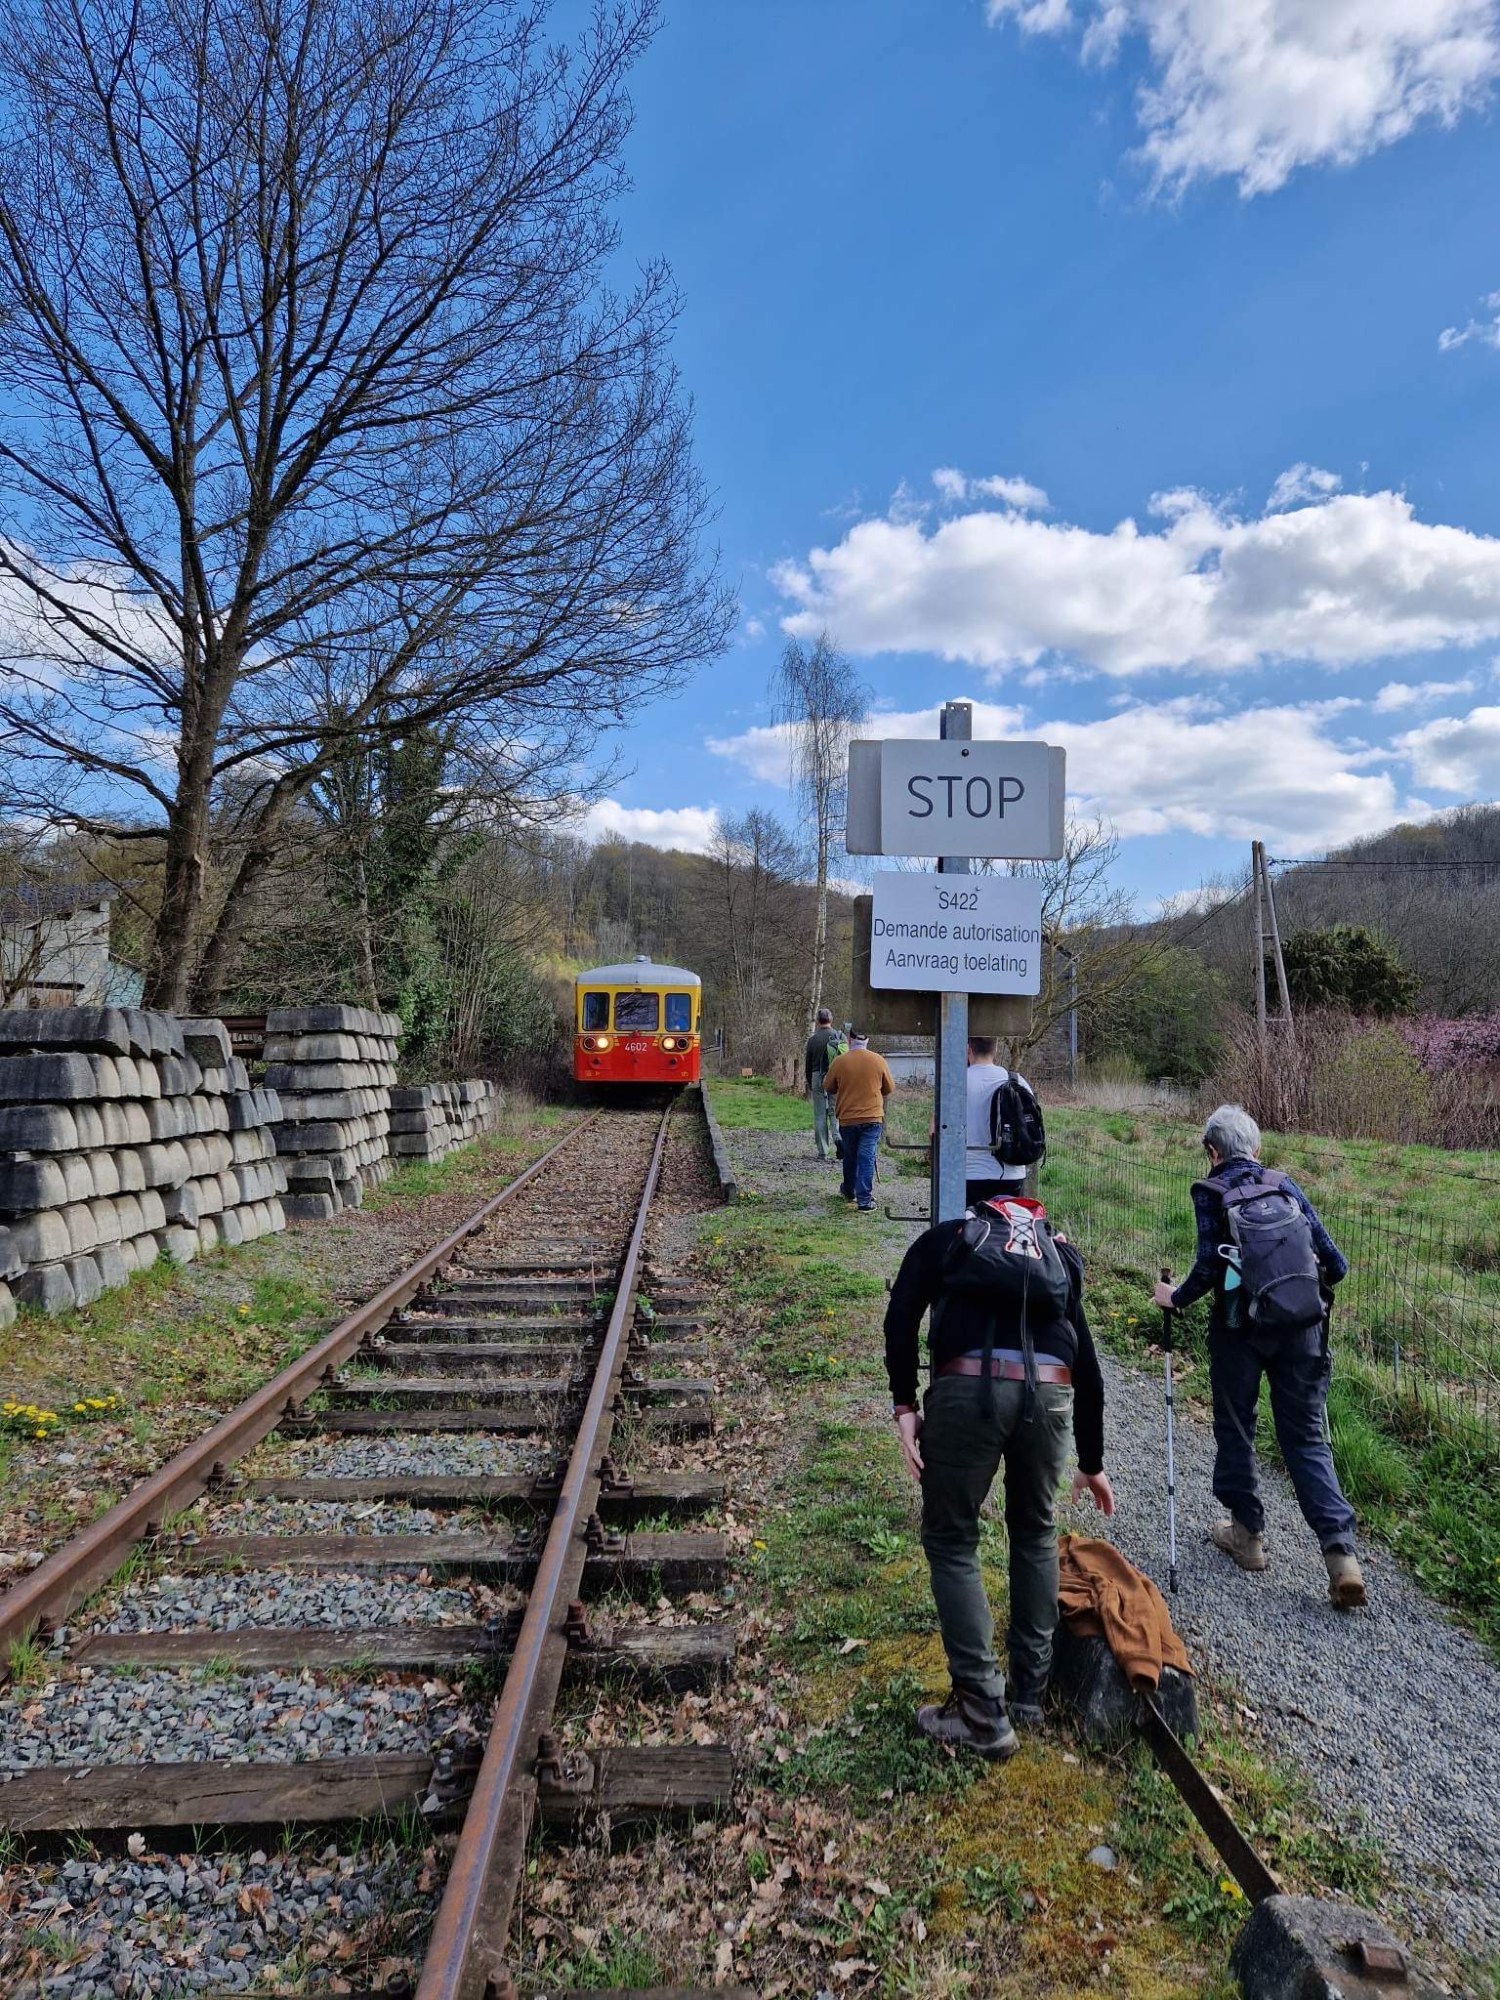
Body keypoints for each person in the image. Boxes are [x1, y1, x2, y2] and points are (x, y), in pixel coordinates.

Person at [885, 1192, 1115, 1758]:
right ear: (1033, 1217)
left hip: (965, 1389)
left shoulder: (951, 1237)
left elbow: (901, 1315)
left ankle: (981, 1710)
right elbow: (1087, 1365)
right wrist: (1092, 1462)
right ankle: (1029, 1695)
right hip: (1053, 1393)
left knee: (952, 1536)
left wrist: (905, 1404)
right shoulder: (1058, 1254)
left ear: (984, 1213)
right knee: (1035, 1531)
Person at [1153, 1104, 1365, 1610]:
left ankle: (1247, 1537)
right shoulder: (1285, 1185)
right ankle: (1342, 1559)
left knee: (1236, 1425)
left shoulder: (1210, 1192)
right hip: (1302, 1330)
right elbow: (1334, 1264)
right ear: (1257, 1148)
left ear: (1212, 1152)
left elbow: (1207, 1268)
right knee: (1307, 1438)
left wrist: (1173, 1298)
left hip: (1237, 1332)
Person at [822, 1031, 894, 1212]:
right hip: (872, 1118)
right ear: (868, 1040)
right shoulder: (878, 1060)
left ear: (849, 1038)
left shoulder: (840, 1061)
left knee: (850, 1156)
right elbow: (889, 1088)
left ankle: (848, 1190)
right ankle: (864, 1201)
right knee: (866, 1157)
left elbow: (828, 1086)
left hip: (847, 1118)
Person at [963, 1037, 1035, 1208]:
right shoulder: (1016, 1081)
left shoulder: (955, 1082)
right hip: (1012, 1174)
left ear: (968, 1050)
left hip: (968, 1175)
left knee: (969, 1230)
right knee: (1007, 1229)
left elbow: (935, 1131)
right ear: (995, 1051)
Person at [803, 1007, 842, 1162]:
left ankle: (823, 1151)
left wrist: (810, 1081)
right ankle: (838, 1140)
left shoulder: (813, 1040)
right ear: (831, 1020)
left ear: (818, 1021)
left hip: (816, 1076)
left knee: (820, 1114)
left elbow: (807, 1064)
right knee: (834, 1112)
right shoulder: (838, 1036)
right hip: (836, 1077)